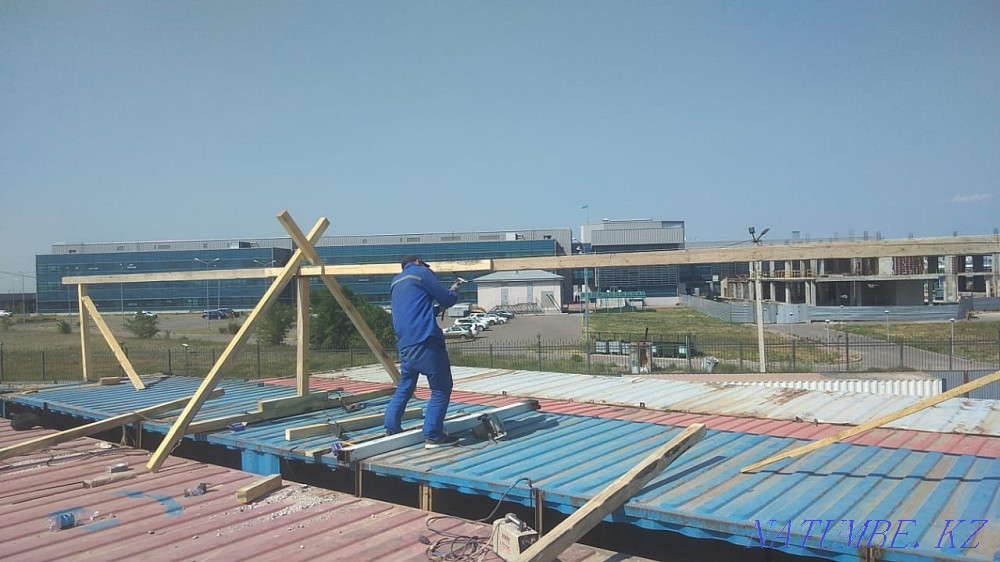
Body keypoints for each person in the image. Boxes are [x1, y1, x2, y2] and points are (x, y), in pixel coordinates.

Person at [384, 255, 462, 448]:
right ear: (418, 261)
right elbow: (446, 298)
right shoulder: (421, 273)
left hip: (405, 344)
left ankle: (391, 428)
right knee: (441, 389)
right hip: (425, 341)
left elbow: (413, 311)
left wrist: (433, 310)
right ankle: (434, 436)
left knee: (406, 385)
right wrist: (453, 291)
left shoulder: (397, 281)